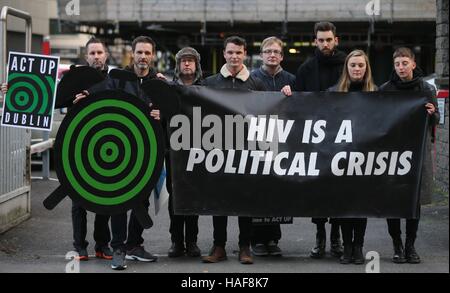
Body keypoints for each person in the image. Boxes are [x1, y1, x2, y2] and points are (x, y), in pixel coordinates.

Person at [1, 38, 114, 261]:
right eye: (92, 53)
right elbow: (48, 99)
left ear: (106, 55)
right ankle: (80, 246)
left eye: (100, 52)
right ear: (86, 56)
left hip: (106, 148)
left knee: (105, 198)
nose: (97, 56)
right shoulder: (74, 79)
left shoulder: (113, 79)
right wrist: (15, 89)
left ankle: (103, 245)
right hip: (77, 147)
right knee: (78, 198)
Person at [202, 36, 266, 265]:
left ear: (245, 53)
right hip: (218, 151)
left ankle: (244, 247)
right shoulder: (210, 83)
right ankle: (218, 246)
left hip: (247, 152)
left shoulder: (256, 83)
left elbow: (268, 112)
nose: (234, 57)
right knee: (219, 201)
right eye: (230, 52)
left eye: (238, 53)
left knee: (244, 201)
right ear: (224, 53)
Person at [380, 47, 439, 264]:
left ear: (413, 64)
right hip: (393, 153)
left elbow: (436, 120)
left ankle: (410, 246)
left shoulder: (425, 88)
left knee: (413, 201)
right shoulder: (386, 89)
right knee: (393, 200)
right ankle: (397, 245)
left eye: (405, 63)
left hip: (417, 151)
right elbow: (377, 118)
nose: (401, 67)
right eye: (397, 64)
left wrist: (432, 113)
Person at [293, 21, 346, 259]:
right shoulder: (306, 68)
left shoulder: (348, 64)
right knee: (318, 190)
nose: (325, 44)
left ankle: (336, 236)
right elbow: (297, 102)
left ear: (336, 40)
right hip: (315, 139)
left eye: (329, 39)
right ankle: (320, 235)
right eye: (321, 40)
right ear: (315, 41)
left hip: (343, 138)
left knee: (338, 189)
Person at [328, 49, 377, 264]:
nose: (357, 69)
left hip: (365, 159)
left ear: (367, 68)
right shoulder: (334, 93)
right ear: (346, 68)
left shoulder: (377, 94)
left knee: (361, 205)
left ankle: (358, 246)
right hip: (340, 159)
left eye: (361, 65)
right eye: (353, 65)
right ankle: (347, 246)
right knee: (343, 204)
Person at [249, 36, 295, 257]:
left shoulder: (291, 79)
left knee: (278, 189)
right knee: (257, 190)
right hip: (257, 141)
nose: (272, 55)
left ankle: (273, 238)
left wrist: (293, 96)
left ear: (282, 55)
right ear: (261, 55)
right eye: (268, 51)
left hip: (283, 141)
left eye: (276, 51)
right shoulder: (251, 78)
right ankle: (257, 239)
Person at [166, 47, 202, 258]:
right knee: (175, 196)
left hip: (197, 150)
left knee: (194, 194)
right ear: (178, 65)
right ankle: (176, 240)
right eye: (183, 61)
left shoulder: (205, 90)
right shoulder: (169, 89)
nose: (187, 64)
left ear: (197, 65)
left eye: (191, 61)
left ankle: (192, 240)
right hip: (173, 151)